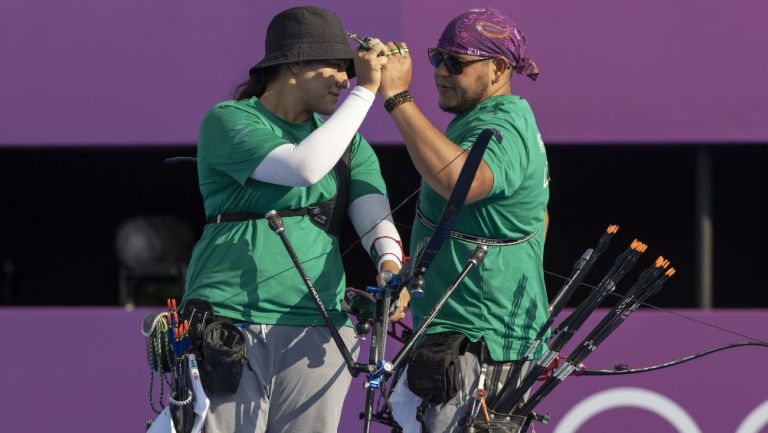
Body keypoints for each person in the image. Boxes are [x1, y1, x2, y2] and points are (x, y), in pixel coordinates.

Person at [181, 6, 405, 433]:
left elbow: (376, 219)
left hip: (318, 331)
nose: (345, 80)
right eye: (336, 68)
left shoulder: (350, 144)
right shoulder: (229, 119)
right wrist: (367, 92)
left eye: (349, 71)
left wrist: (390, 266)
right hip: (231, 321)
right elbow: (303, 167)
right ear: (295, 63)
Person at [379, 7, 550, 432]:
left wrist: (399, 99)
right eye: (438, 58)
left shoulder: (504, 121)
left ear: (497, 68)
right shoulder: (478, 122)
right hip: (467, 334)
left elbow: (464, 183)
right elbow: (539, 216)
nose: (440, 71)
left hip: (480, 344)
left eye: (456, 62)